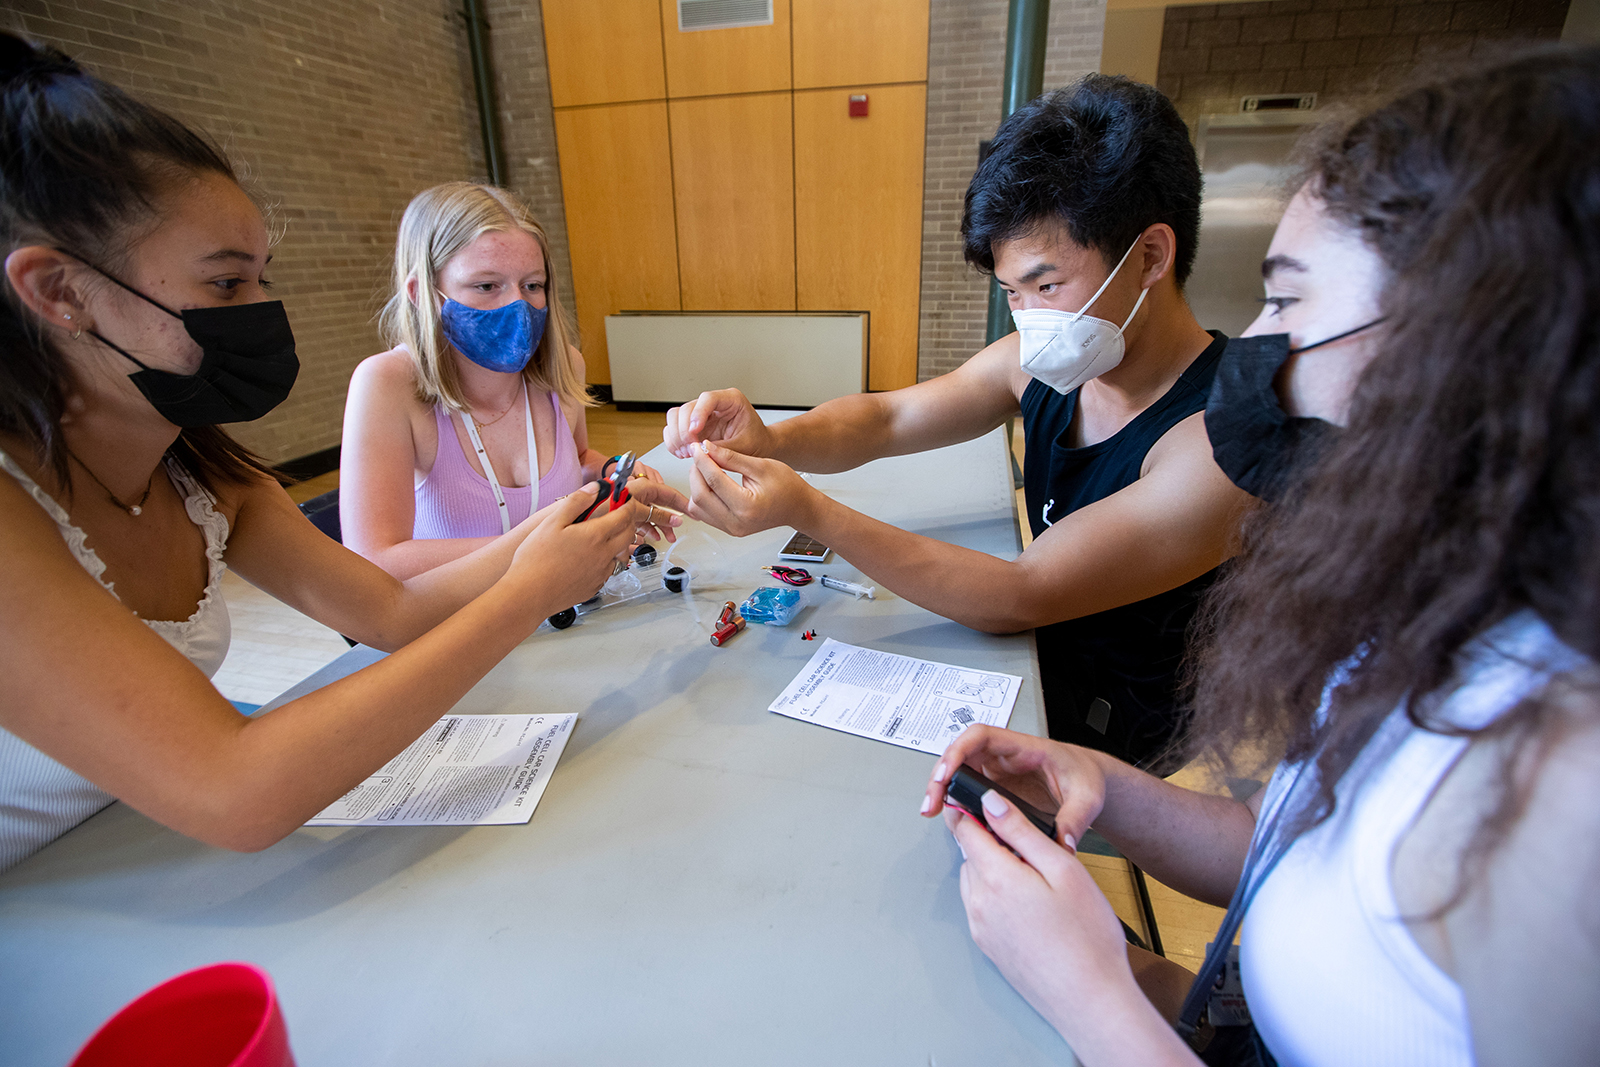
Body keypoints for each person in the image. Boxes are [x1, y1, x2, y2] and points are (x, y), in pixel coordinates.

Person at [919, 47, 1600, 1066]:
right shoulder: (1426, 615)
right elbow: (1289, 855)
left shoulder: (1562, 808)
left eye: (1289, 304)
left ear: (1466, 346)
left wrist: (1091, 992)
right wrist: (1106, 783)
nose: (1264, 358)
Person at [0, 35, 684, 872]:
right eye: (224, 286)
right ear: (59, 292)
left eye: (260, 278)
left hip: (141, 840)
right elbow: (238, 788)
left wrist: (575, 529)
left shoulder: (207, 472)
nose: (259, 312)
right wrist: (531, 584)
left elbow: (389, 614)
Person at [665, 76, 1251, 771]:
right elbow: (887, 417)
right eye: (1011, 292)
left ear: (1151, 255)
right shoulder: (1047, 364)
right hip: (1031, 653)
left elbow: (1018, 593)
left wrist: (809, 510)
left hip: (1111, 723)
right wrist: (772, 438)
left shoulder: (1220, 442)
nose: (1029, 317)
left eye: (1047, 285)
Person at [341, 182, 665, 580]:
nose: (517, 305)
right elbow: (374, 561)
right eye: (486, 286)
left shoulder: (563, 367)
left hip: (561, 600)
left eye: (532, 285)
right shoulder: (386, 384)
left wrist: (612, 473)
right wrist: (544, 549)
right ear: (423, 293)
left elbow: (578, 460)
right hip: (459, 618)